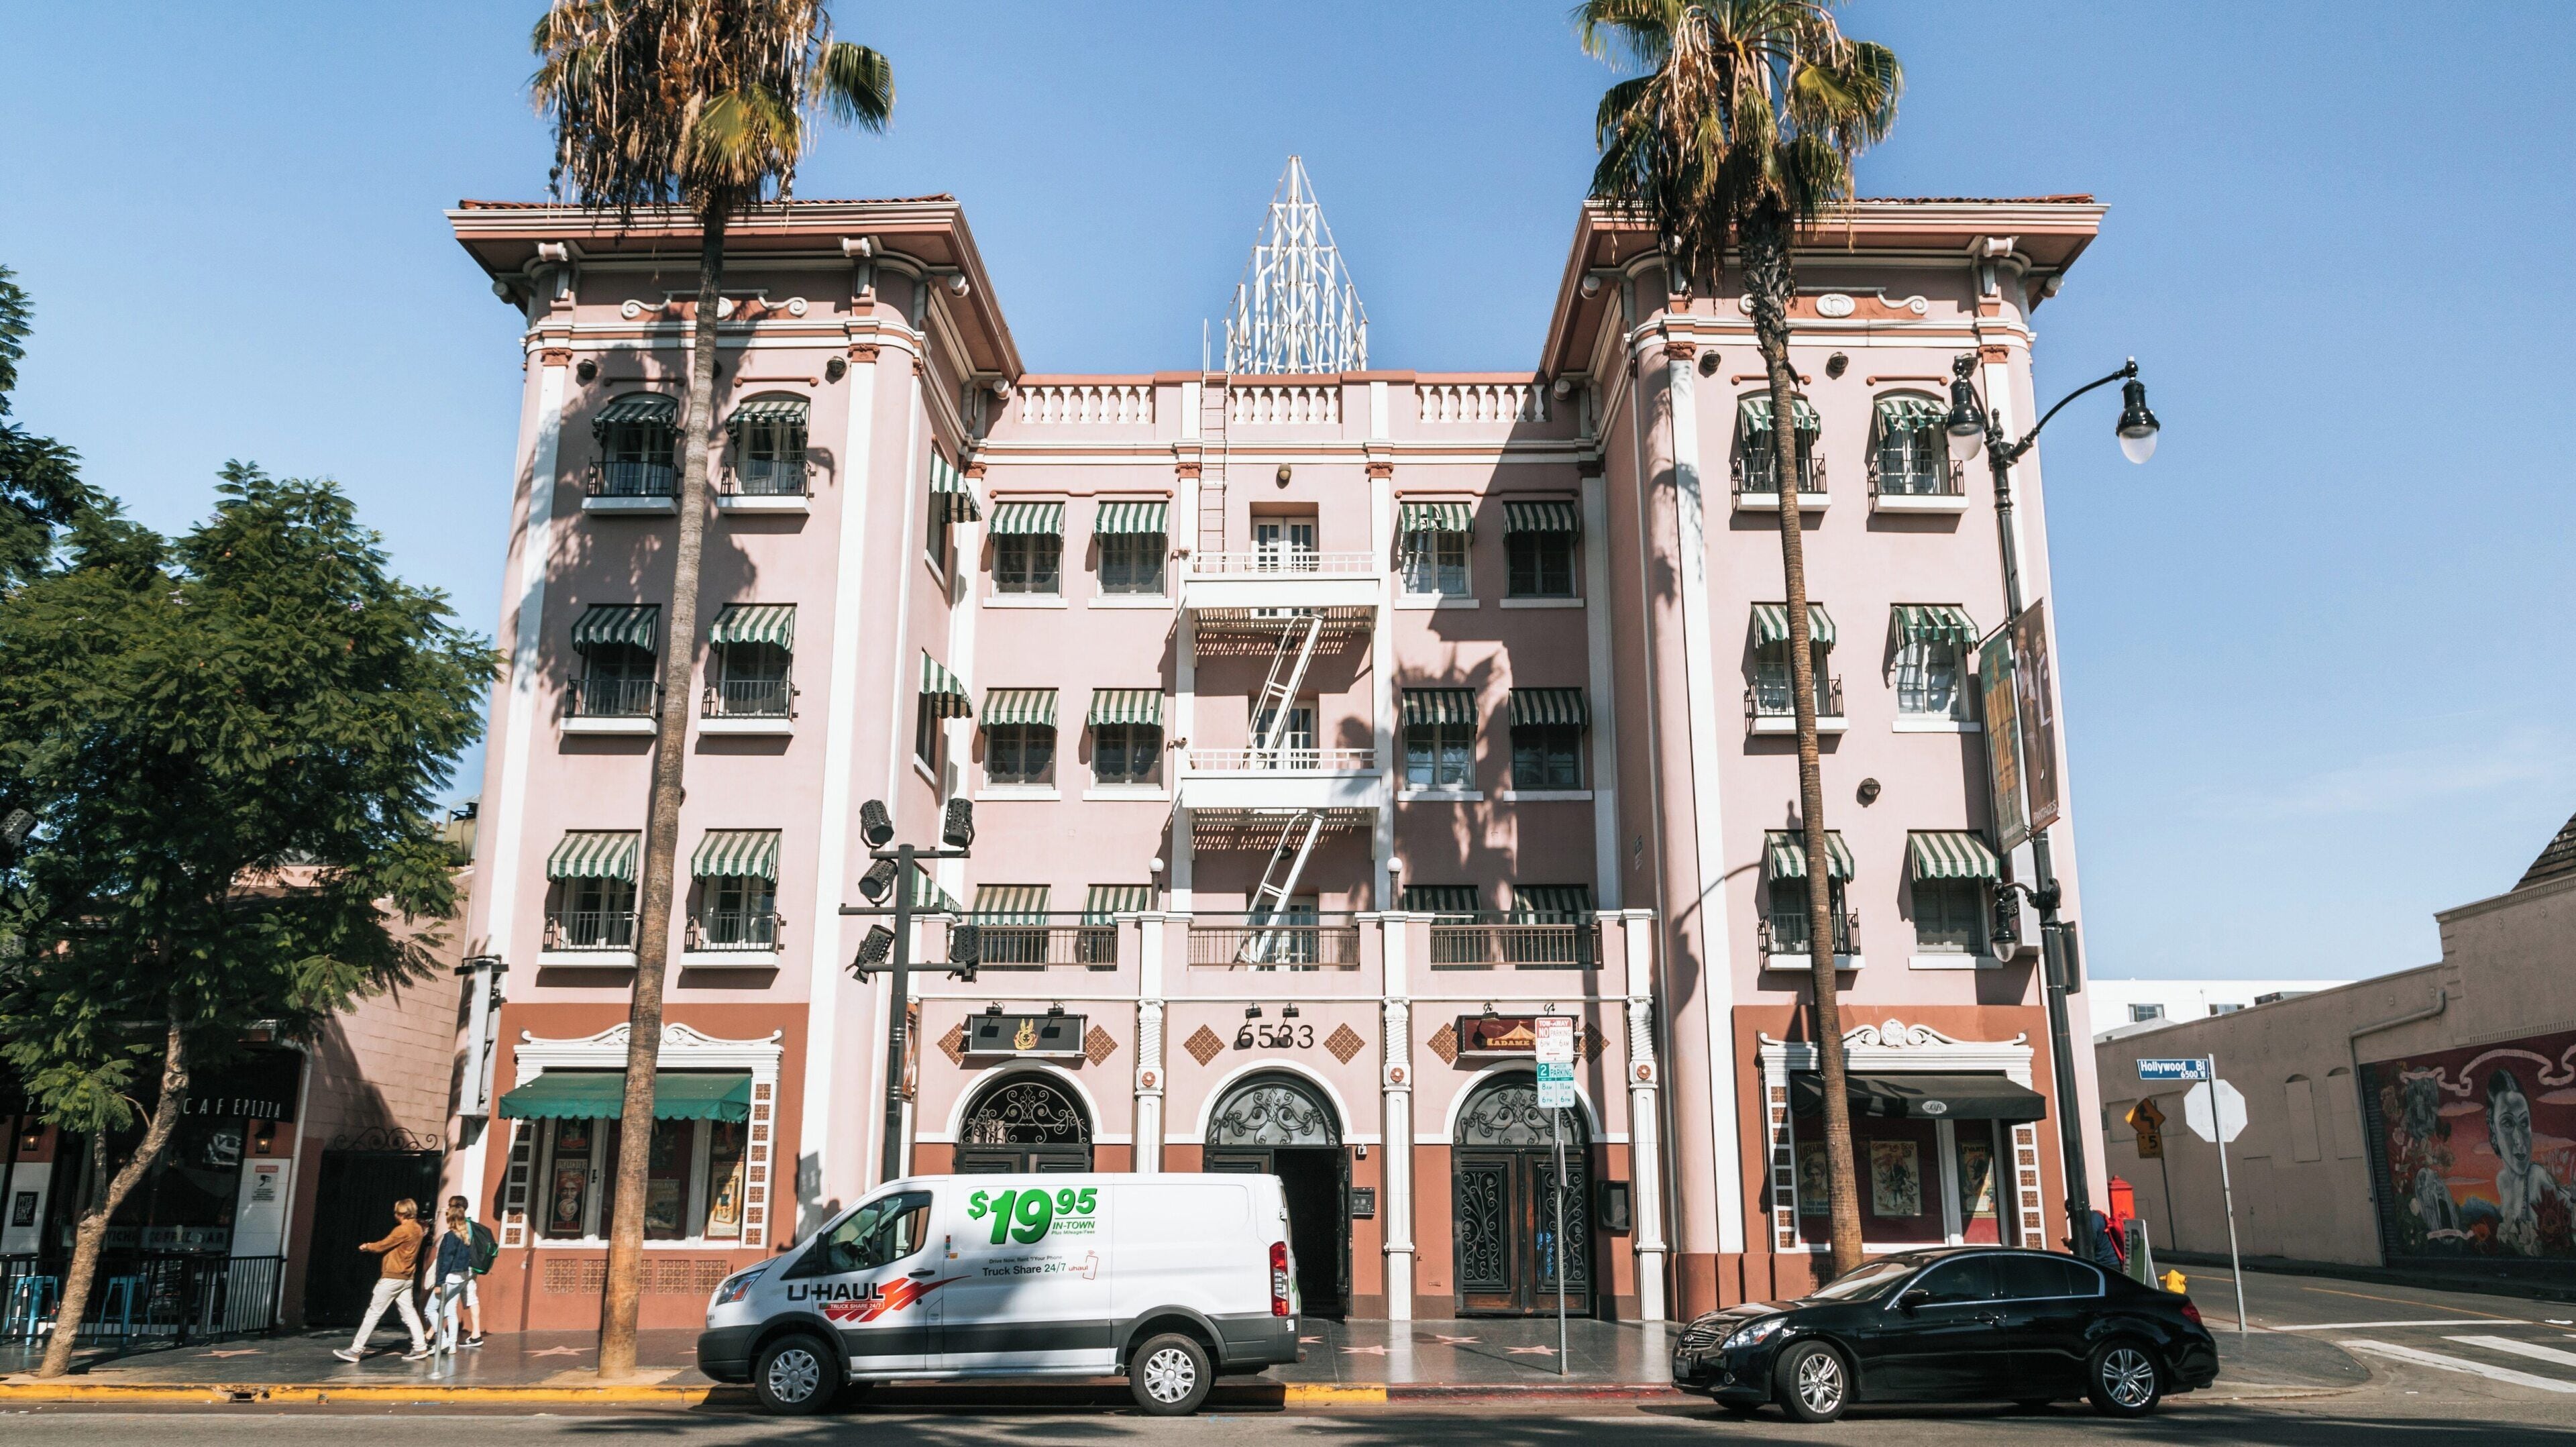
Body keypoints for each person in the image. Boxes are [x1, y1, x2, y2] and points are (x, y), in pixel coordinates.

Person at [333, 1198, 429, 1363]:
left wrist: (367, 1246)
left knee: (373, 1313)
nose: (395, 1215)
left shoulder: (402, 1230)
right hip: (407, 1278)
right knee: (409, 1313)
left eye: (397, 1212)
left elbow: (383, 1245)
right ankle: (420, 1347)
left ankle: (356, 1350)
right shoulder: (418, 1229)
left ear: (402, 1213)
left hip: (392, 1277)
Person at [446, 1193, 494, 1348]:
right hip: (472, 1267)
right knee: (472, 1298)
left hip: (460, 1268)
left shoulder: (459, 1225)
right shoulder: (472, 1225)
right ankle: (476, 1334)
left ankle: (431, 1336)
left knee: (447, 1299)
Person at [427, 1203, 475, 1354]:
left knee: (430, 1310)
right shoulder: (467, 1235)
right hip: (462, 1278)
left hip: (449, 1279)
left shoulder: (450, 1237)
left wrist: (439, 1282)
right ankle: (452, 1345)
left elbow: (445, 1261)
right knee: (450, 1310)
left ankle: (443, 1340)